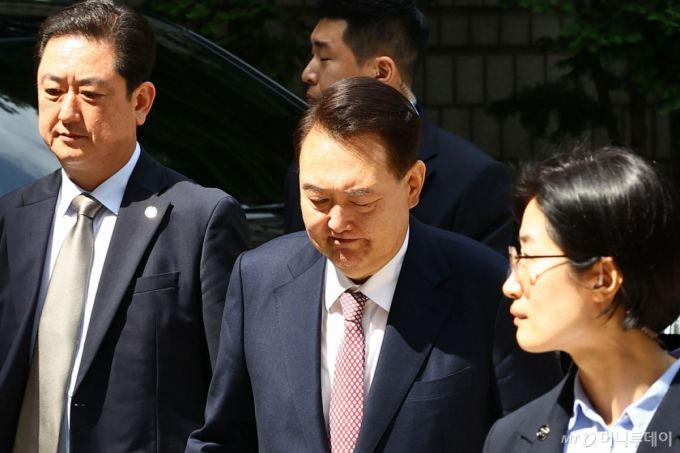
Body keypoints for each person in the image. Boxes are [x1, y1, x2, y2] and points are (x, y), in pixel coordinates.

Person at [186, 77, 561, 453]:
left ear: (412, 185)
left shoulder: (488, 289)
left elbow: (534, 440)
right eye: (318, 200)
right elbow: (223, 439)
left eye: (361, 201)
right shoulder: (258, 279)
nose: (337, 223)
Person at [0, 1, 248, 452]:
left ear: (141, 102)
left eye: (90, 95)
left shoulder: (199, 219)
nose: (67, 113)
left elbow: (230, 398)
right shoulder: (12, 216)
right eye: (52, 91)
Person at [483, 147, 680, 452]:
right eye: (516, 257)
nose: (511, 286)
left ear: (603, 279)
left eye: (530, 257)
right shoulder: (510, 439)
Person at [283, 0, 513, 256]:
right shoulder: (305, 167)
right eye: (320, 200)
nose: (307, 73)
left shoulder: (474, 179)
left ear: (381, 71)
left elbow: (480, 278)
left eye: (325, 58)